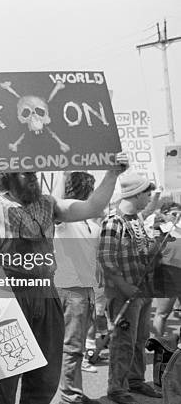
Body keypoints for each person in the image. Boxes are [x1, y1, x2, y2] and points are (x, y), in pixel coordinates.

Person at [0, 153, 127, 404]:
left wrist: (112, 174)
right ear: (8, 177)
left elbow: (92, 208)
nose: (33, 178)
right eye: (26, 173)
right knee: (5, 381)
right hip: (10, 299)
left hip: (46, 295)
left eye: (34, 173)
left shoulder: (49, 203)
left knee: (45, 379)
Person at [98, 173, 161, 404]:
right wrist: (124, 285)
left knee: (139, 339)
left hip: (142, 292)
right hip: (124, 293)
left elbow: (142, 252)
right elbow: (105, 258)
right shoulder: (114, 221)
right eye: (147, 193)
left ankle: (135, 381)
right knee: (123, 341)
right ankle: (116, 388)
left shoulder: (136, 220)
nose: (149, 199)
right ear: (135, 194)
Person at [51, 171, 101, 404]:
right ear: (85, 191)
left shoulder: (89, 222)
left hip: (85, 290)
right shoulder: (65, 218)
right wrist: (63, 173)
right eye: (92, 190)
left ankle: (73, 392)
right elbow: (55, 205)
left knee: (77, 347)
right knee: (71, 348)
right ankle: (70, 397)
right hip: (70, 289)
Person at [150, 200, 181, 337]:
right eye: (174, 213)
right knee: (162, 313)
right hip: (168, 275)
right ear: (165, 214)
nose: (177, 216)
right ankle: (158, 346)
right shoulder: (160, 228)